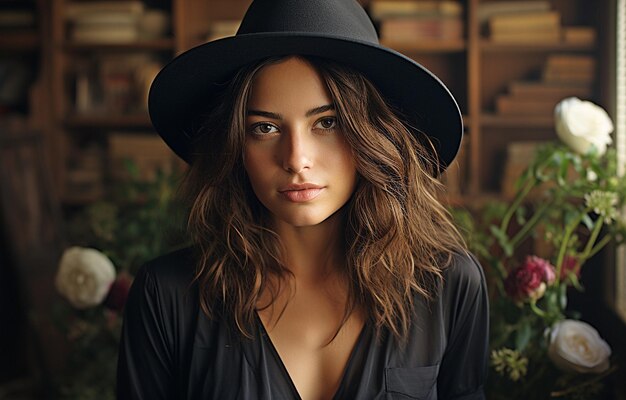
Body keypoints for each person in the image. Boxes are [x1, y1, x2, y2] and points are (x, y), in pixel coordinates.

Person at [117, 0, 489, 399]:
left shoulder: (446, 285)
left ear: (374, 135)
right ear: (235, 147)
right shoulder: (169, 295)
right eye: (265, 127)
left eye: (326, 123)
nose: (296, 160)